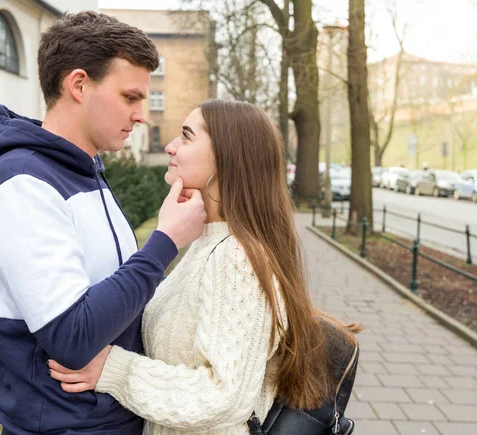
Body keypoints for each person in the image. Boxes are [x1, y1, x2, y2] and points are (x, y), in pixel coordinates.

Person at [49, 100, 361, 434]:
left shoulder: (236, 258)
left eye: (186, 136)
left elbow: (223, 397)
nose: (170, 146)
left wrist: (114, 370)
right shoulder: (208, 243)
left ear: (227, 159)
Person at [0, 11, 206, 435]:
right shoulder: (22, 183)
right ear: (78, 84)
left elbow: (116, 300)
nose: (141, 115)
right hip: (67, 427)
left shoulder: (84, 169)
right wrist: (166, 239)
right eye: (130, 97)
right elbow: (73, 337)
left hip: (111, 418)